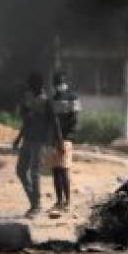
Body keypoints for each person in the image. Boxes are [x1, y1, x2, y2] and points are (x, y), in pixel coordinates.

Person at [13, 72, 63, 218]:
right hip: (27, 140)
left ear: (37, 85)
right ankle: (34, 203)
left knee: (34, 172)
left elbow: (55, 122)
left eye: (31, 86)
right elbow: (26, 122)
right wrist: (18, 138)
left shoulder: (47, 102)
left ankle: (37, 205)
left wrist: (59, 142)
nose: (29, 88)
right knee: (21, 171)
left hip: (40, 141)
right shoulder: (30, 101)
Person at [50, 71, 81, 211]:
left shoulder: (73, 97)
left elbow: (74, 120)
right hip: (54, 140)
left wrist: (63, 138)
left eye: (60, 83)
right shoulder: (53, 98)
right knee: (56, 171)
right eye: (57, 84)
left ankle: (67, 202)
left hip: (66, 139)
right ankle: (59, 201)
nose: (58, 86)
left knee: (63, 170)